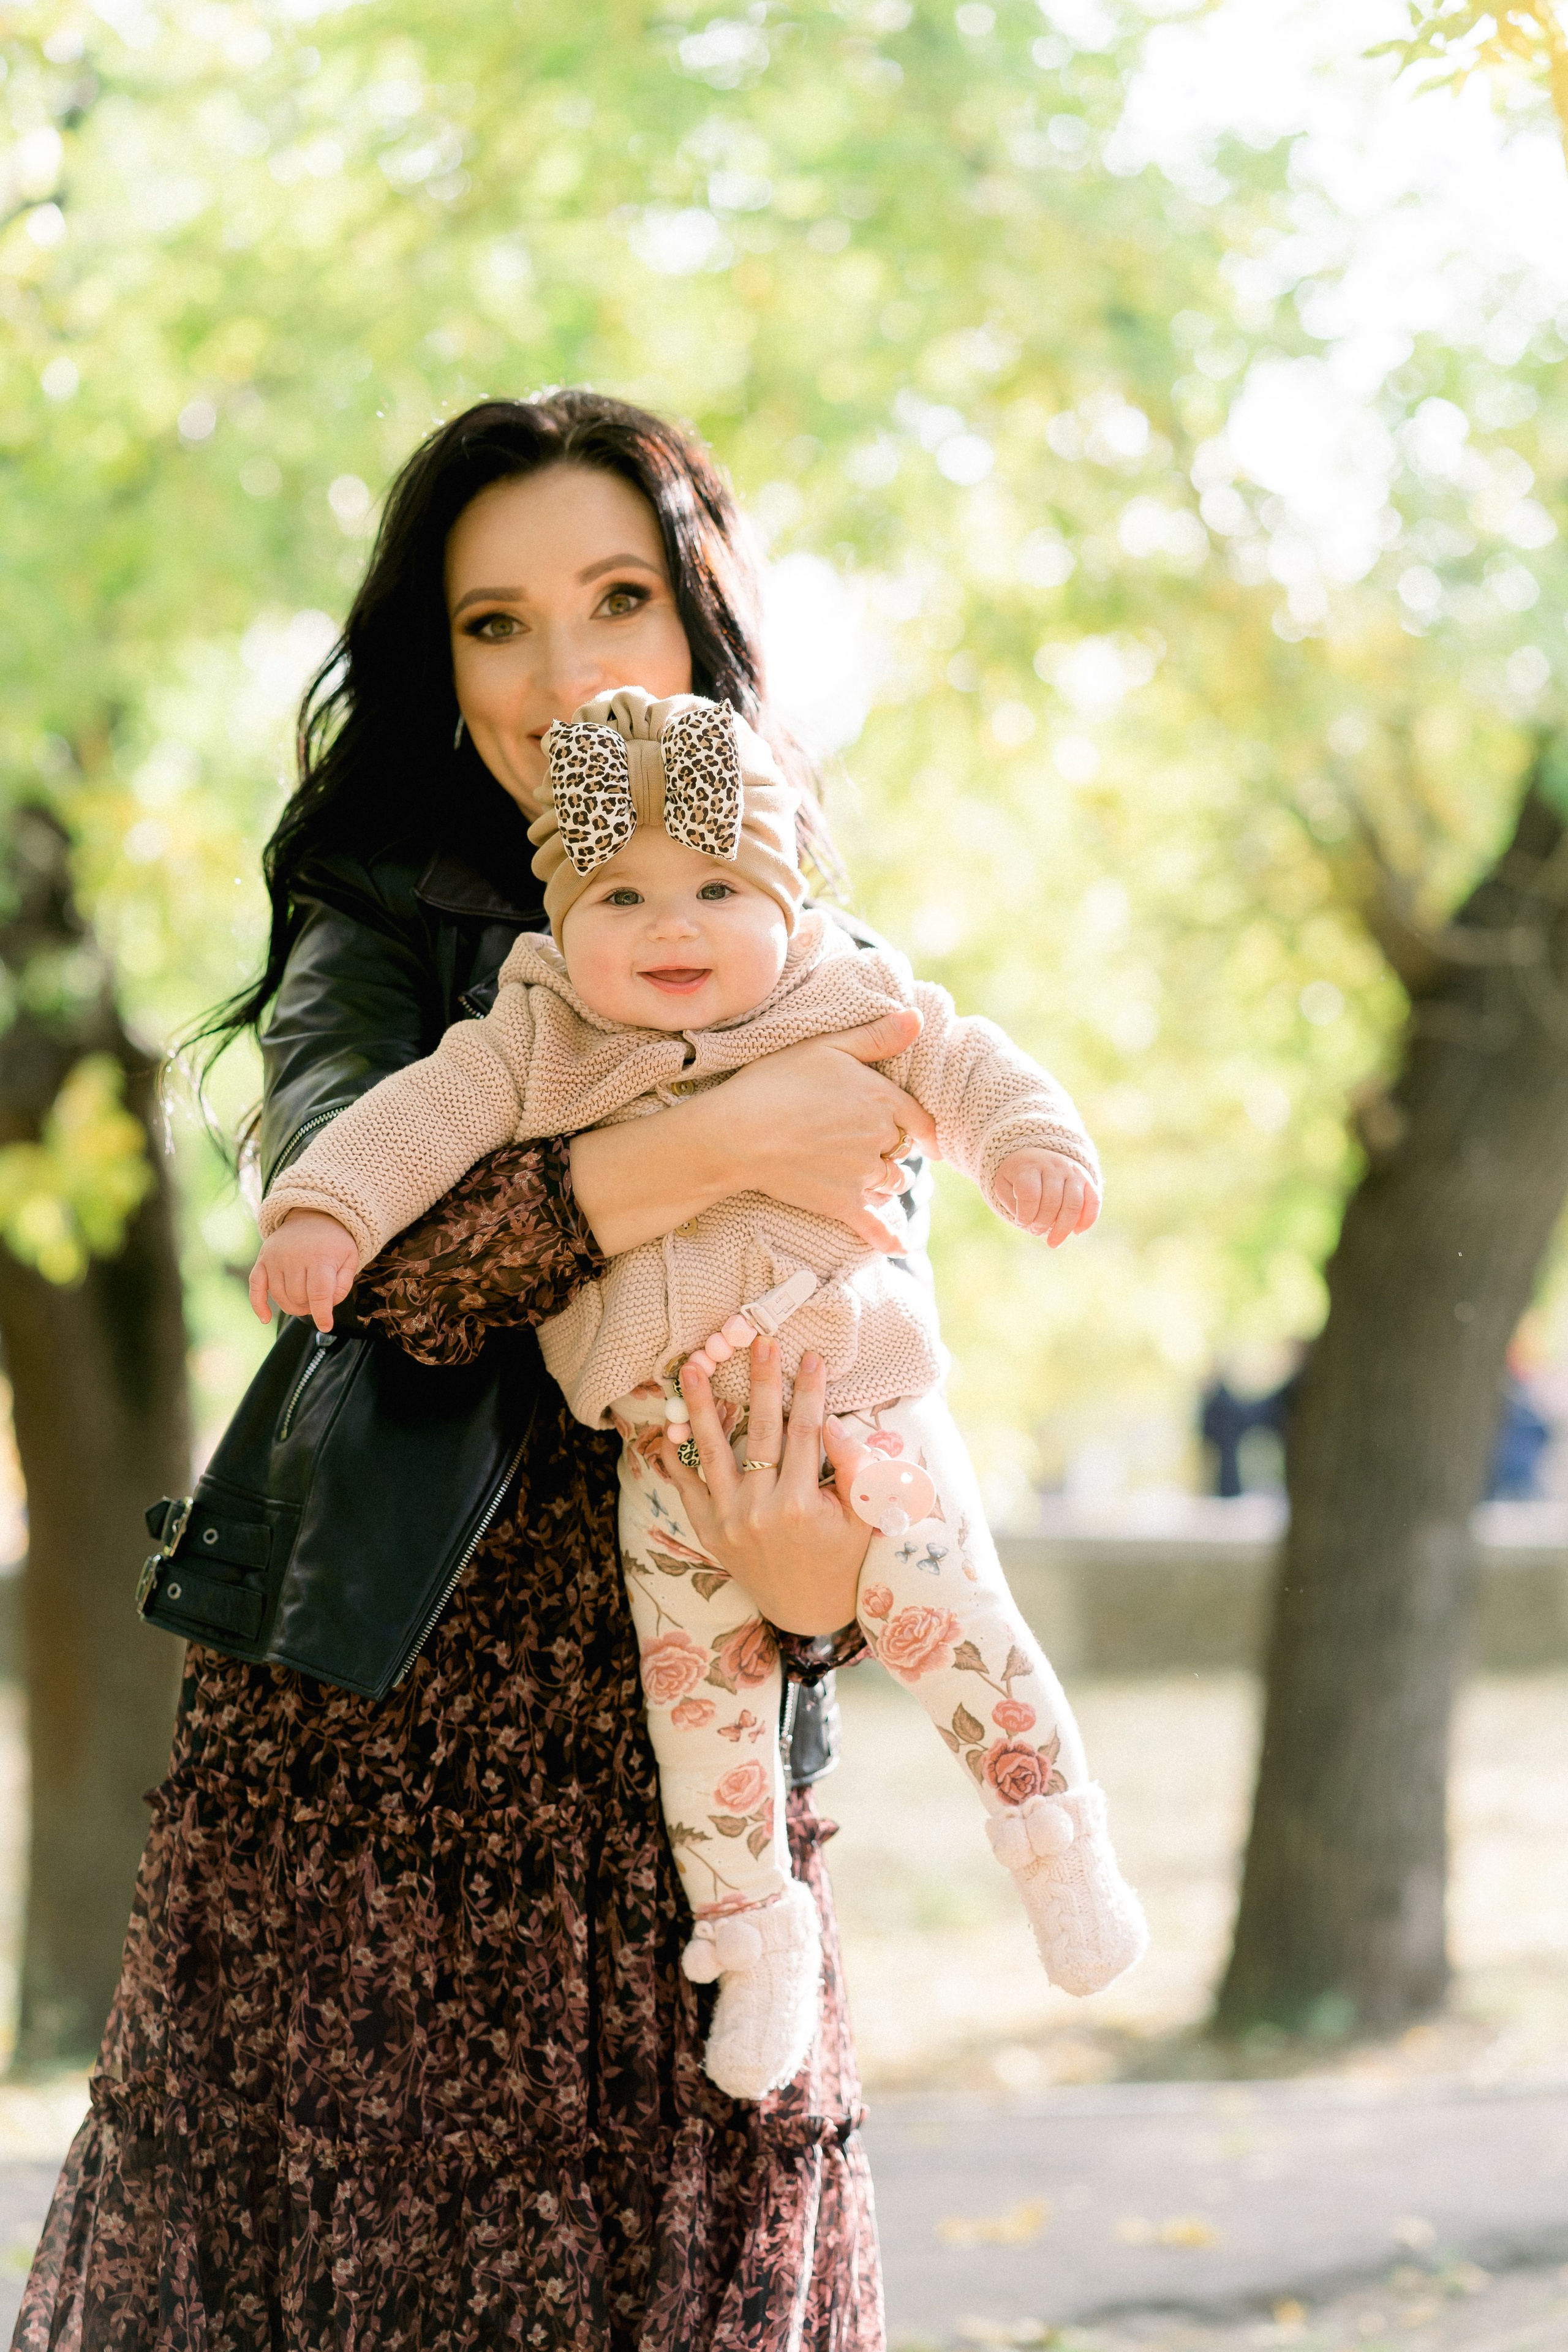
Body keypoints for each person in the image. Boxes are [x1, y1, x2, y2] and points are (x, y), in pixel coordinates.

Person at [12, 393, 961, 2350]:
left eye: (617, 598)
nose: (562, 670)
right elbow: (379, 1277)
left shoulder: (818, 955)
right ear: (436, 664)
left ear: (703, 625)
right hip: (367, 1777)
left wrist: (816, 1605)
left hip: (681, 1820)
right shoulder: (369, 909)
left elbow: (865, 1381)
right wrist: (714, 1143)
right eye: (494, 622)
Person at [252, 685, 1148, 2105]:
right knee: (701, 1714)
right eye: (620, 895)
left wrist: (1028, 1144)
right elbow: (410, 1123)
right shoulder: (536, 1034)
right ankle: (751, 1936)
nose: (671, 927)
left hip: (851, 1399)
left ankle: (1054, 1838)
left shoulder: (837, 990)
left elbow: (966, 1059)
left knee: (962, 1627)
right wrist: (324, 1214)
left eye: (717, 887)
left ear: (783, 896)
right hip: (663, 1450)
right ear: (562, 918)